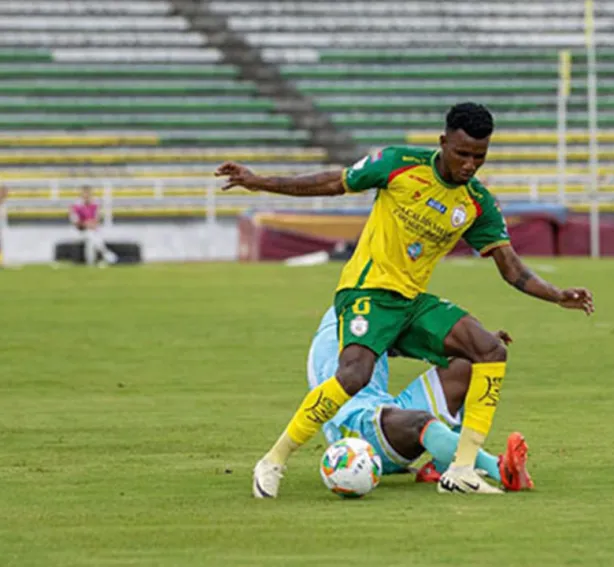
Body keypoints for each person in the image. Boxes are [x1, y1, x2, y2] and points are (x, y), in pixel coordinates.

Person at [215, 102, 594, 497]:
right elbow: (332, 182)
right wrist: (259, 182)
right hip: (367, 291)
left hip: (411, 302)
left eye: (479, 157)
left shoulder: (476, 202)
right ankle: (274, 460)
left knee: (489, 349)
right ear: (443, 142)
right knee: (354, 374)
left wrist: (556, 295)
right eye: (462, 154)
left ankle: (462, 470)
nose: (469, 165)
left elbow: (510, 266)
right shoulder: (399, 163)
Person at [299, 306, 533, 494]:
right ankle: (499, 469)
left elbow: (403, 343)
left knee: (475, 362)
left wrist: (481, 345)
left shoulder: (372, 311)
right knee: (420, 422)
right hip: (357, 433)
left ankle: (441, 467)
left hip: (389, 416)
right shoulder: (345, 324)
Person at [69, 186, 117, 267]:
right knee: (90, 235)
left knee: (91, 239)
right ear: (82, 195)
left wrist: (92, 224)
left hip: (93, 230)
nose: (87, 196)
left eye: (89, 194)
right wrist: (86, 224)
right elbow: (75, 222)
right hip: (79, 231)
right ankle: (106, 254)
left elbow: (97, 219)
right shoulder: (76, 207)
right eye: (85, 194)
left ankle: (90, 263)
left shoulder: (95, 206)